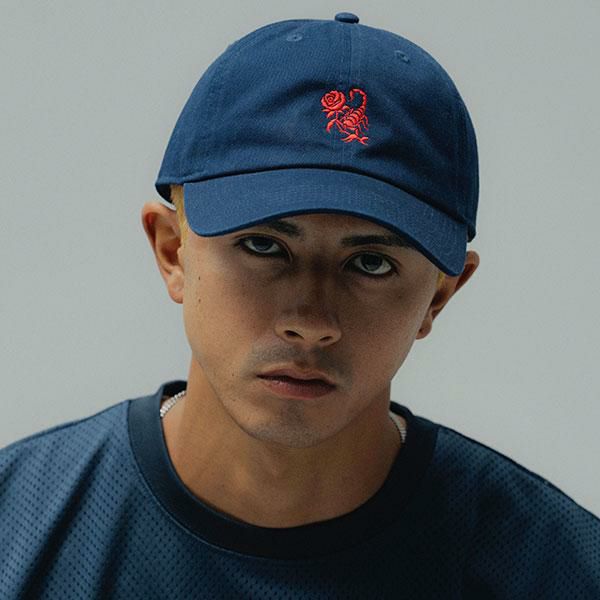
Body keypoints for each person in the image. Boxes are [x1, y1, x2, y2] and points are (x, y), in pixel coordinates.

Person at [1, 12, 598, 599]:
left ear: (440, 295)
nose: (310, 321)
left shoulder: (558, 570)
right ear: (172, 251)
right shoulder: (15, 530)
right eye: (264, 246)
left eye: (370, 263)